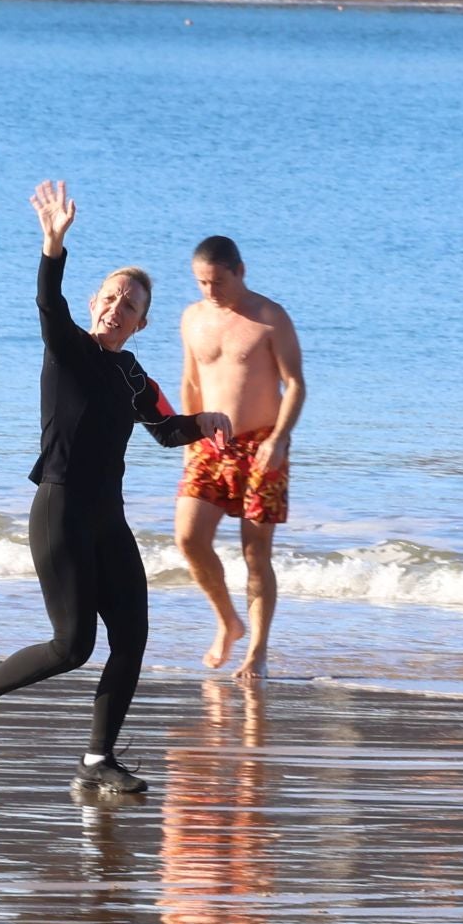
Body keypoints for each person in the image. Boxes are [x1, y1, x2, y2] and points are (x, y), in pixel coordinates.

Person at [0, 181, 233, 796]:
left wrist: (202, 424)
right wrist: (53, 245)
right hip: (60, 511)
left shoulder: (131, 373)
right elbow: (49, 303)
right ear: (96, 302)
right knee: (73, 645)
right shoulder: (68, 349)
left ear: (141, 322)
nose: (114, 308)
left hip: (108, 520)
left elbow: (162, 427)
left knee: (131, 639)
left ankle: (98, 761)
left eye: (128, 306)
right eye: (109, 297)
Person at [176, 236, 305, 682]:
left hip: (262, 445)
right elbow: (191, 382)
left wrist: (280, 440)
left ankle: (257, 653)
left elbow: (296, 385)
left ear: (240, 271)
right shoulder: (192, 318)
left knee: (256, 553)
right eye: (201, 283)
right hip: (210, 443)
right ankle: (227, 621)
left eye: (217, 281)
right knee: (188, 538)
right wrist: (189, 437)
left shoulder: (270, 318)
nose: (210, 291)